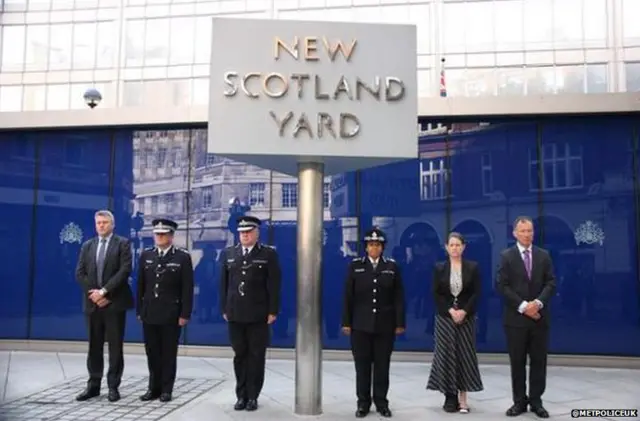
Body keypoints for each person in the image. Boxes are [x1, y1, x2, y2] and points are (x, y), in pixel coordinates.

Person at [342, 227, 406, 418]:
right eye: (371, 245)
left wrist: (399, 322)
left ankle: (381, 402)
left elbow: (398, 297)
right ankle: (363, 403)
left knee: (382, 366)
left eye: (377, 245)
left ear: (383, 247)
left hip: (384, 325)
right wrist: (346, 322)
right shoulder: (355, 266)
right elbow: (348, 297)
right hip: (360, 325)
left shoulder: (391, 267)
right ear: (366, 247)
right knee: (362, 367)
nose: (374, 248)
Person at [219, 215, 282, 412]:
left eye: (248, 232)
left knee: (256, 355)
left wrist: (273, 310)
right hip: (236, 313)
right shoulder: (229, 253)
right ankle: (241, 395)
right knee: (240, 355)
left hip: (258, 313)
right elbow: (223, 284)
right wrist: (224, 308)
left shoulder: (268, 254)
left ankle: (253, 396)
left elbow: (274, 285)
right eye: (242, 232)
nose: (245, 235)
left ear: (256, 233)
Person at [497, 216, 556, 418]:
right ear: (515, 233)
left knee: (539, 361)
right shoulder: (506, 256)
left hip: (539, 318)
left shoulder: (544, 255)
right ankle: (519, 402)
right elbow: (502, 286)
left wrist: (537, 303)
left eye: (530, 230)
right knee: (517, 362)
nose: (527, 234)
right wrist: (523, 306)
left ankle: (537, 402)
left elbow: (551, 283)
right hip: (515, 320)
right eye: (522, 231)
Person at [75, 210, 133, 403]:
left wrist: (105, 292)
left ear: (112, 224)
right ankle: (93, 386)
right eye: (98, 223)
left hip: (114, 304)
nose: (101, 226)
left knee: (115, 347)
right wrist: (95, 294)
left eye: (105, 222)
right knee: (94, 347)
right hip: (93, 305)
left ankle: (113, 387)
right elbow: (80, 273)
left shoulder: (123, 244)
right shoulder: (87, 246)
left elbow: (124, 271)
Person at [136, 218, 194, 403]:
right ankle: (153, 388)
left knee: (168, 353)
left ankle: (166, 389)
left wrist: (185, 313)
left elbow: (187, 288)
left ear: (171, 235)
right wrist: (139, 310)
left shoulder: (182, 257)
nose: (159, 237)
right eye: (157, 234)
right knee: (152, 352)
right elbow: (140, 285)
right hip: (150, 312)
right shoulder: (146, 255)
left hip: (171, 314)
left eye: (163, 234)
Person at [426, 232, 483, 413]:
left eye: (458, 245)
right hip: (445, 317)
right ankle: (449, 396)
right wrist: (451, 310)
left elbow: (476, 293)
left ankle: (463, 398)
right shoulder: (439, 267)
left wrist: (464, 311)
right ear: (446, 247)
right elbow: (436, 293)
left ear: (464, 247)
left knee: (464, 355)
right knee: (446, 355)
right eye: (452, 245)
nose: (455, 248)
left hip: (466, 318)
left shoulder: (473, 267)